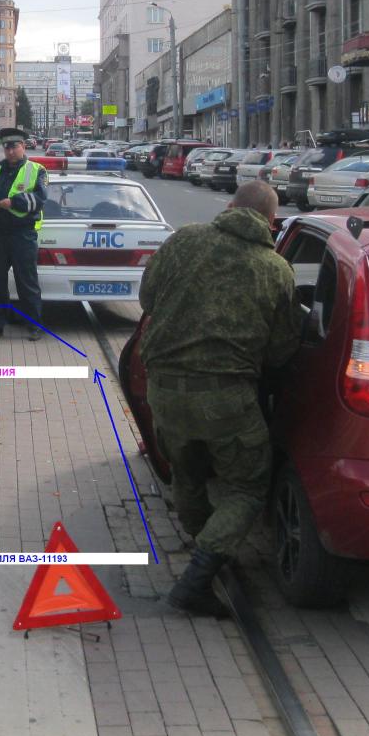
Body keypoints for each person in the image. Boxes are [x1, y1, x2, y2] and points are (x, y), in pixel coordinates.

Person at [137, 180, 300, 616]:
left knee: (187, 472)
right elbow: (283, 349)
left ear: (229, 207)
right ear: (270, 221)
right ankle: (199, 576)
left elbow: (147, 298)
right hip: (225, 398)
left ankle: (204, 540)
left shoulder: (184, 240)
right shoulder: (275, 268)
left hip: (164, 389)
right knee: (247, 487)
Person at [0, 127, 48, 340]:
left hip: (22, 235)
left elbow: (40, 199)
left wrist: (13, 202)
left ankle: (34, 326)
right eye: (7, 147)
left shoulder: (37, 170)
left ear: (23, 146)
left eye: (14, 147)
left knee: (27, 282)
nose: (11, 151)